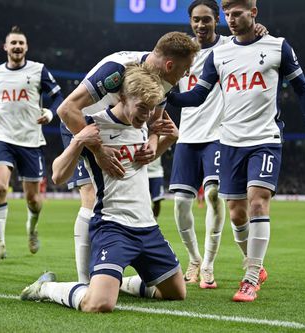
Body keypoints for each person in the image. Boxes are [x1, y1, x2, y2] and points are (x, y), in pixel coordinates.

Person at [167, 0, 305, 301]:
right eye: (227, 14)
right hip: (230, 142)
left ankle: (250, 278)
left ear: (253, 13)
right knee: (237, 213)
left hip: (265, 138)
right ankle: (253, 263)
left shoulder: (278, 47)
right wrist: (172, 97)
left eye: (236, 13)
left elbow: (302, 89)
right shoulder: (220, 55)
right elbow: (199, 94)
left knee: (256, 203)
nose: (231, 19)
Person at [20, 63, 184, 312]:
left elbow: (140, 165)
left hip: (148, 228)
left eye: (151, 110)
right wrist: (77, 143)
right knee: (98, 304)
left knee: (176, 293)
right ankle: (45, 288)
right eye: (141, 108)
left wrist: (168, 140)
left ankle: (118, 283)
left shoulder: (142, 124)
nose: (147, 116)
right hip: (112, 227)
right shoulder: (94, 126)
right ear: (122, 97)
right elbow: (57, 175)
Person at [57, 31, 200, 283]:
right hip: (83, 125)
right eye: (185, 68)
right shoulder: (117, 70)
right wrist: (97, 150)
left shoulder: (164, 80)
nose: (186, 74)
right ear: (169, 65)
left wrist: (152, 142)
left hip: (125, 132)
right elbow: (67, 109)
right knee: (91, 198)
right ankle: (84, 282)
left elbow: (155, 122)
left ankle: (117, 279)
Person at [169, 0, 267, 289]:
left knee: (213, 195)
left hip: (219, 135)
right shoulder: (181, 51)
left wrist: (260, 30)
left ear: (217, 21)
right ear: (190, 22)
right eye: (196, 20)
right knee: (180, 204)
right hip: (188, 135)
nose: (201, 25)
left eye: (207, 20)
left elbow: (257, 43)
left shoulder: (230, 47)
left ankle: (209, 266)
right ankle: (194, 259)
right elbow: (162, 82)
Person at [0, 26, 64, 264]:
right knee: (0, 187)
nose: (17, 47)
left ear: (26, 48)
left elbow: (58, 97)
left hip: (30, 140)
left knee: (34, 201)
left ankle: (32, 227)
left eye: (21, 43)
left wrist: (49, 112)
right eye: (13, 43)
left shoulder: (38, 70)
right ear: (5, 47)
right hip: (2, 136)